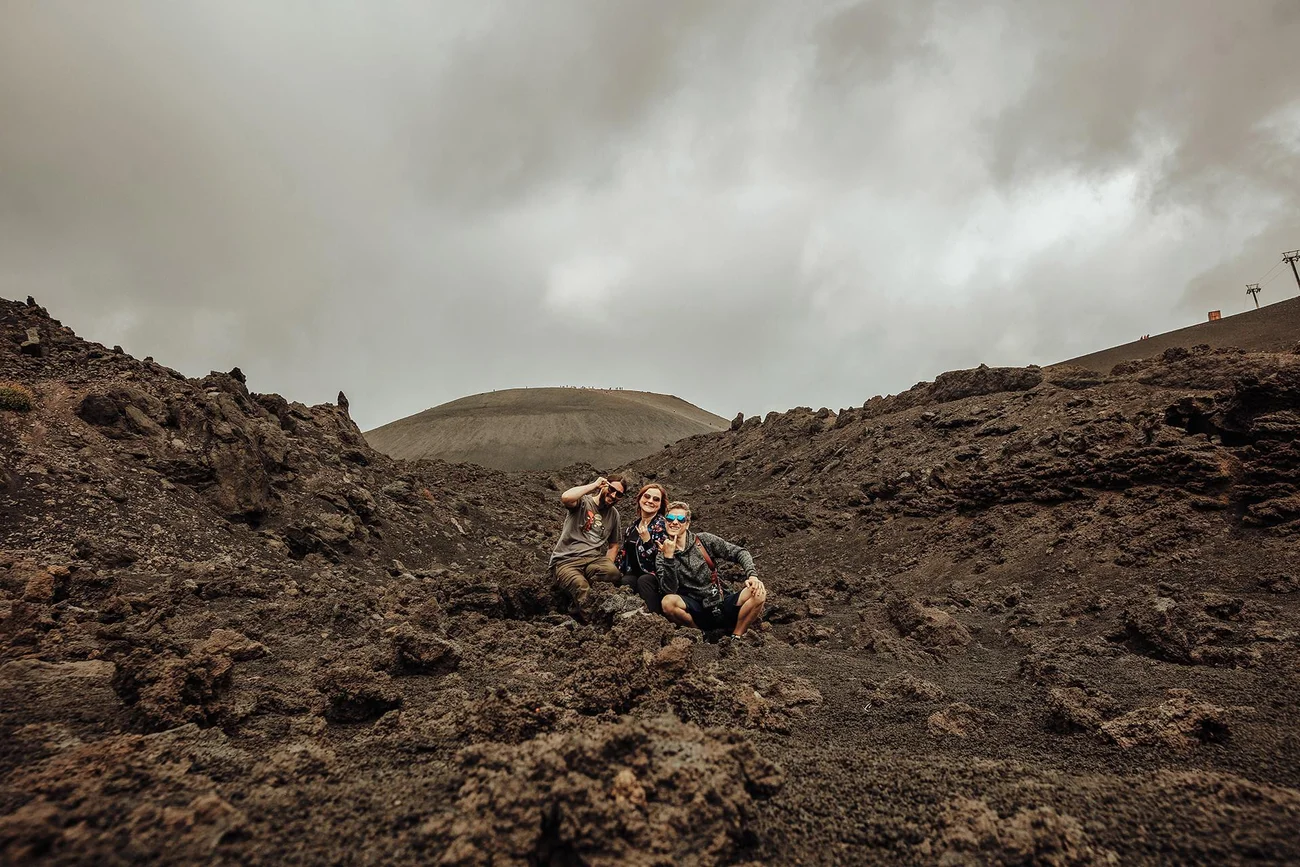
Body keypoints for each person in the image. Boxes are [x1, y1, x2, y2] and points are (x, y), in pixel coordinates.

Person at [655, 500, 768, 641]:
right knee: (668, 602)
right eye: (670, 518)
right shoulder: (662, 556)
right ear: (665, 522)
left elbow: (740, 552)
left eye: (681, 519)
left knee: (758, 592)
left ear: (687, 523)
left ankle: (737, 636)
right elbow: (669, 589)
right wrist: (669, 558)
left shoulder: (703, 541)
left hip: (721, 600)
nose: (675, 522)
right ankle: (700, 635)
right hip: (695, 608)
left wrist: (752, 576)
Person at [549, 474, 625, 614]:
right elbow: (566, 497)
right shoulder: (583, 502)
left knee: (613, 573)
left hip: (593, 559)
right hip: (567, 560)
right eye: (612, 489)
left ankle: (580, 600)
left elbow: (614, 545)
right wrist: (594, 485)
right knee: (581, 587)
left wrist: (606, 568)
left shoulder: (614, 515)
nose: (614, 495)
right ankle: (589, 620)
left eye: (619, 494)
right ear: (604, 485)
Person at [614, 482, 670, 613]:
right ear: (640, 499)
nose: (650, 501)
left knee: (644, 581)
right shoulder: (632, 527)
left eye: (656, 499)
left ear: (661, 504)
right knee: (626, 581)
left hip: (655, 575)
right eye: (647, 496)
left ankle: (654, 617)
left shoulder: (663, 526)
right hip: (633, 572)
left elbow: (661, 558)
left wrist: (647, 541)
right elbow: (624, 554)